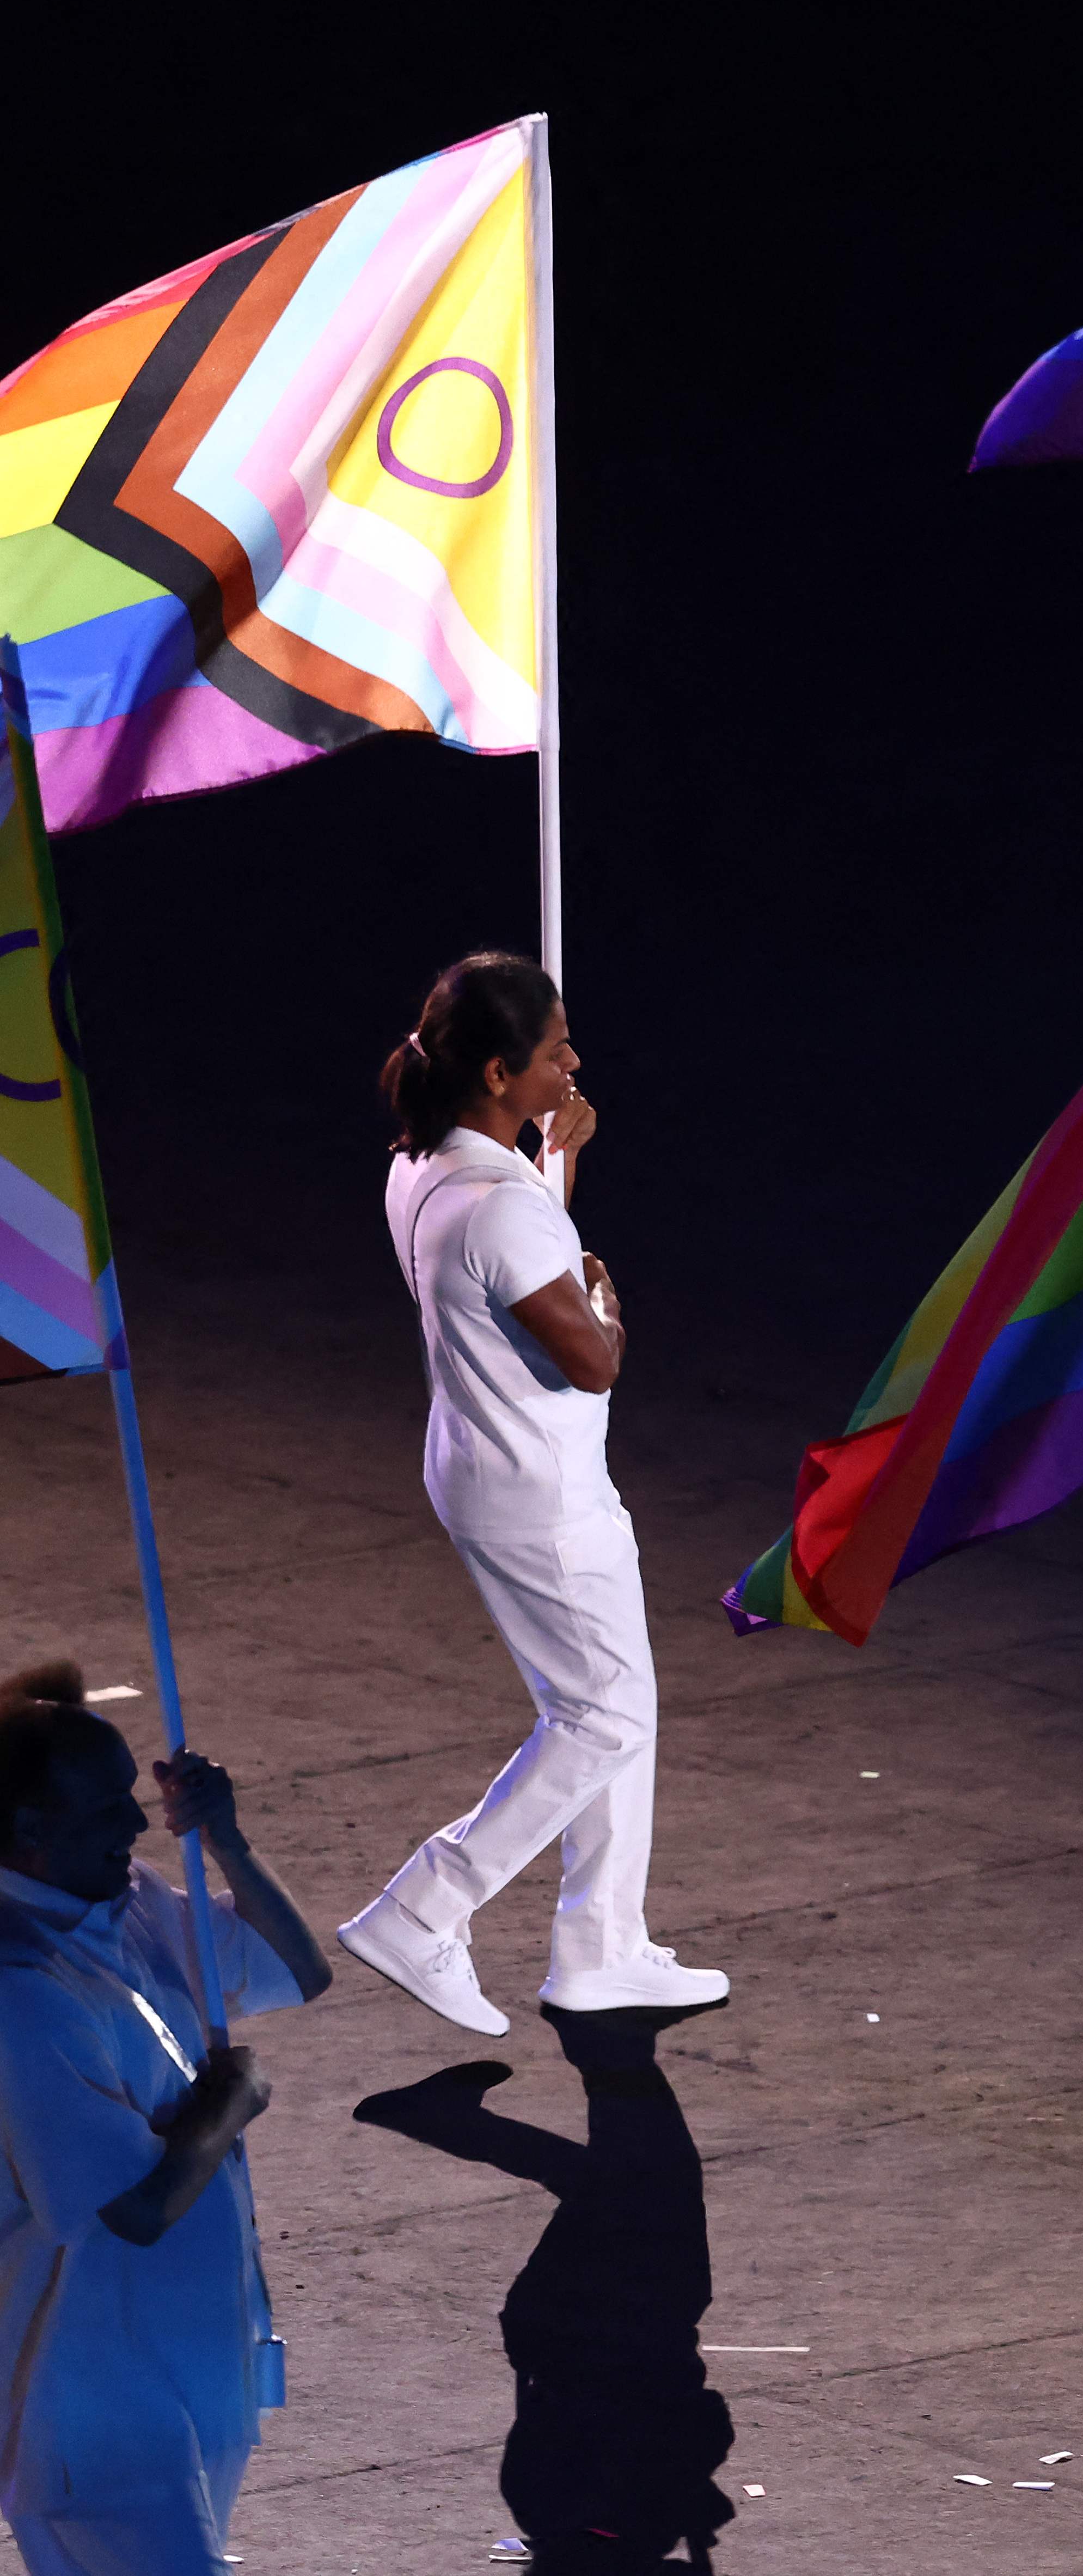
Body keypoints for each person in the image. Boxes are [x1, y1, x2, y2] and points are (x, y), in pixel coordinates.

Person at [335, 953, 723, 2035]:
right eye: (556, 1050)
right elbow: (593, 1358)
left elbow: (507, 1256)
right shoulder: (500, 1208)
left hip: (482, 1461)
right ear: (501, 1070)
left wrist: (555, 1164)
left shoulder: (423, 1166)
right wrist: (602, 1294)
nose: (575, 1061)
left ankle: (600, 1949)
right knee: (601, 1714)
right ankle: (423, 1906)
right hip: (540, 1494)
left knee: (615, 1703)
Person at [0, 1663, 329, 2576]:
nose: (139, 1825)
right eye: (108, 1809)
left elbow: (294, 1967)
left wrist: (224, 1839)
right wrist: (233, 2102)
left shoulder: (129, 1896)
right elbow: (131, 2208)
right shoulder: (18, 1988)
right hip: (94, 2392)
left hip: (193, 2358)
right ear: (29, 1831)